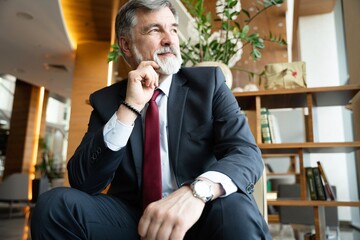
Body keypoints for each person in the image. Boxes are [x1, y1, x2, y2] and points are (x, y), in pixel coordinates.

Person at [31, 0, 271, 239]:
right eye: (155, 30)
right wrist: (130, 107)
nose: (170, 39)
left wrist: (197, 191)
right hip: (134, 219)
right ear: (126, 45)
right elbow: (83, 182)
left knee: (236, 208)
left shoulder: (209, 85)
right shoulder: (107, 101)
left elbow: (246, 153)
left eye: (174, 29)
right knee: (54, 205)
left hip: (201, 212)